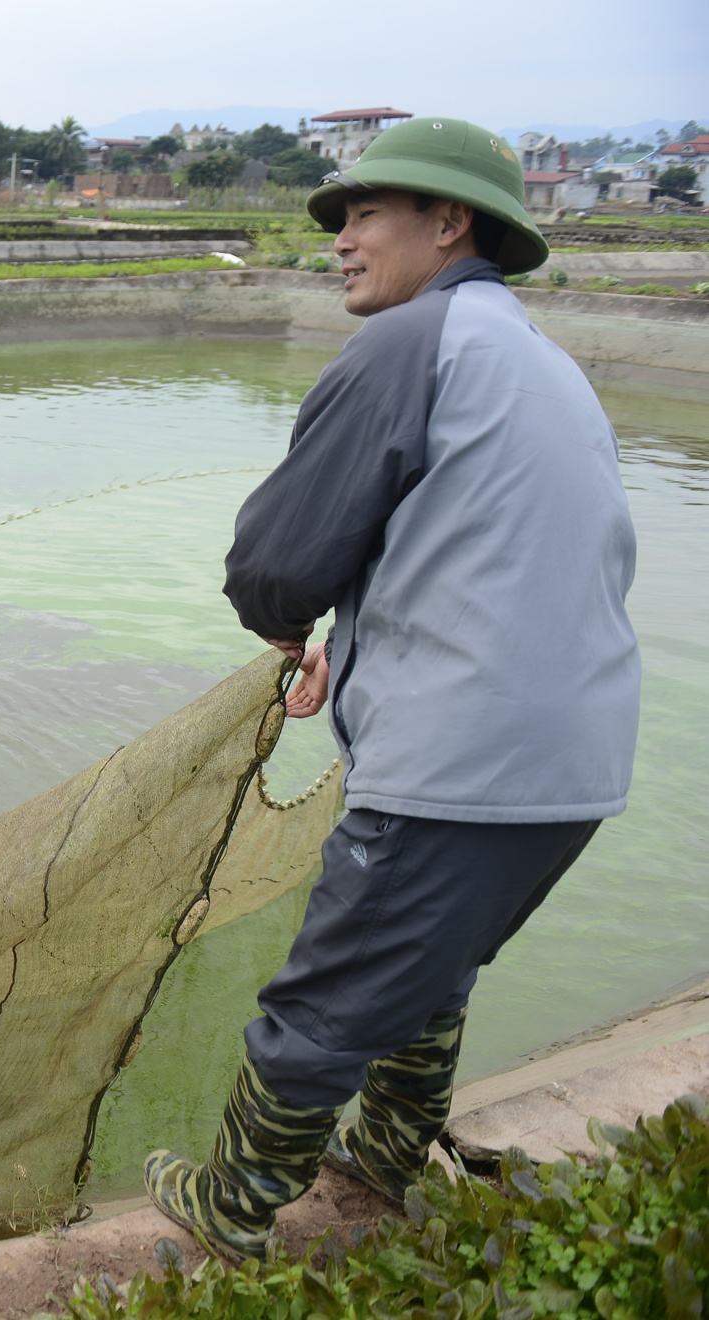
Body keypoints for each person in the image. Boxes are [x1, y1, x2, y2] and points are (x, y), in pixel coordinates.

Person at [142, 117, 640, 1261]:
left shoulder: (409, 342)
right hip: (575, 769)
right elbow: (490, 563)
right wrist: (353, 644)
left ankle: (234, 1209)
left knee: (322, 997)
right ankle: (385, 1154)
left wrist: (286, 620)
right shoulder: (540, 359)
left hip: (461, 764)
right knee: (432, 964)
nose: (341, 239)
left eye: (365, 213)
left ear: (449, 222)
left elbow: (276, 563)